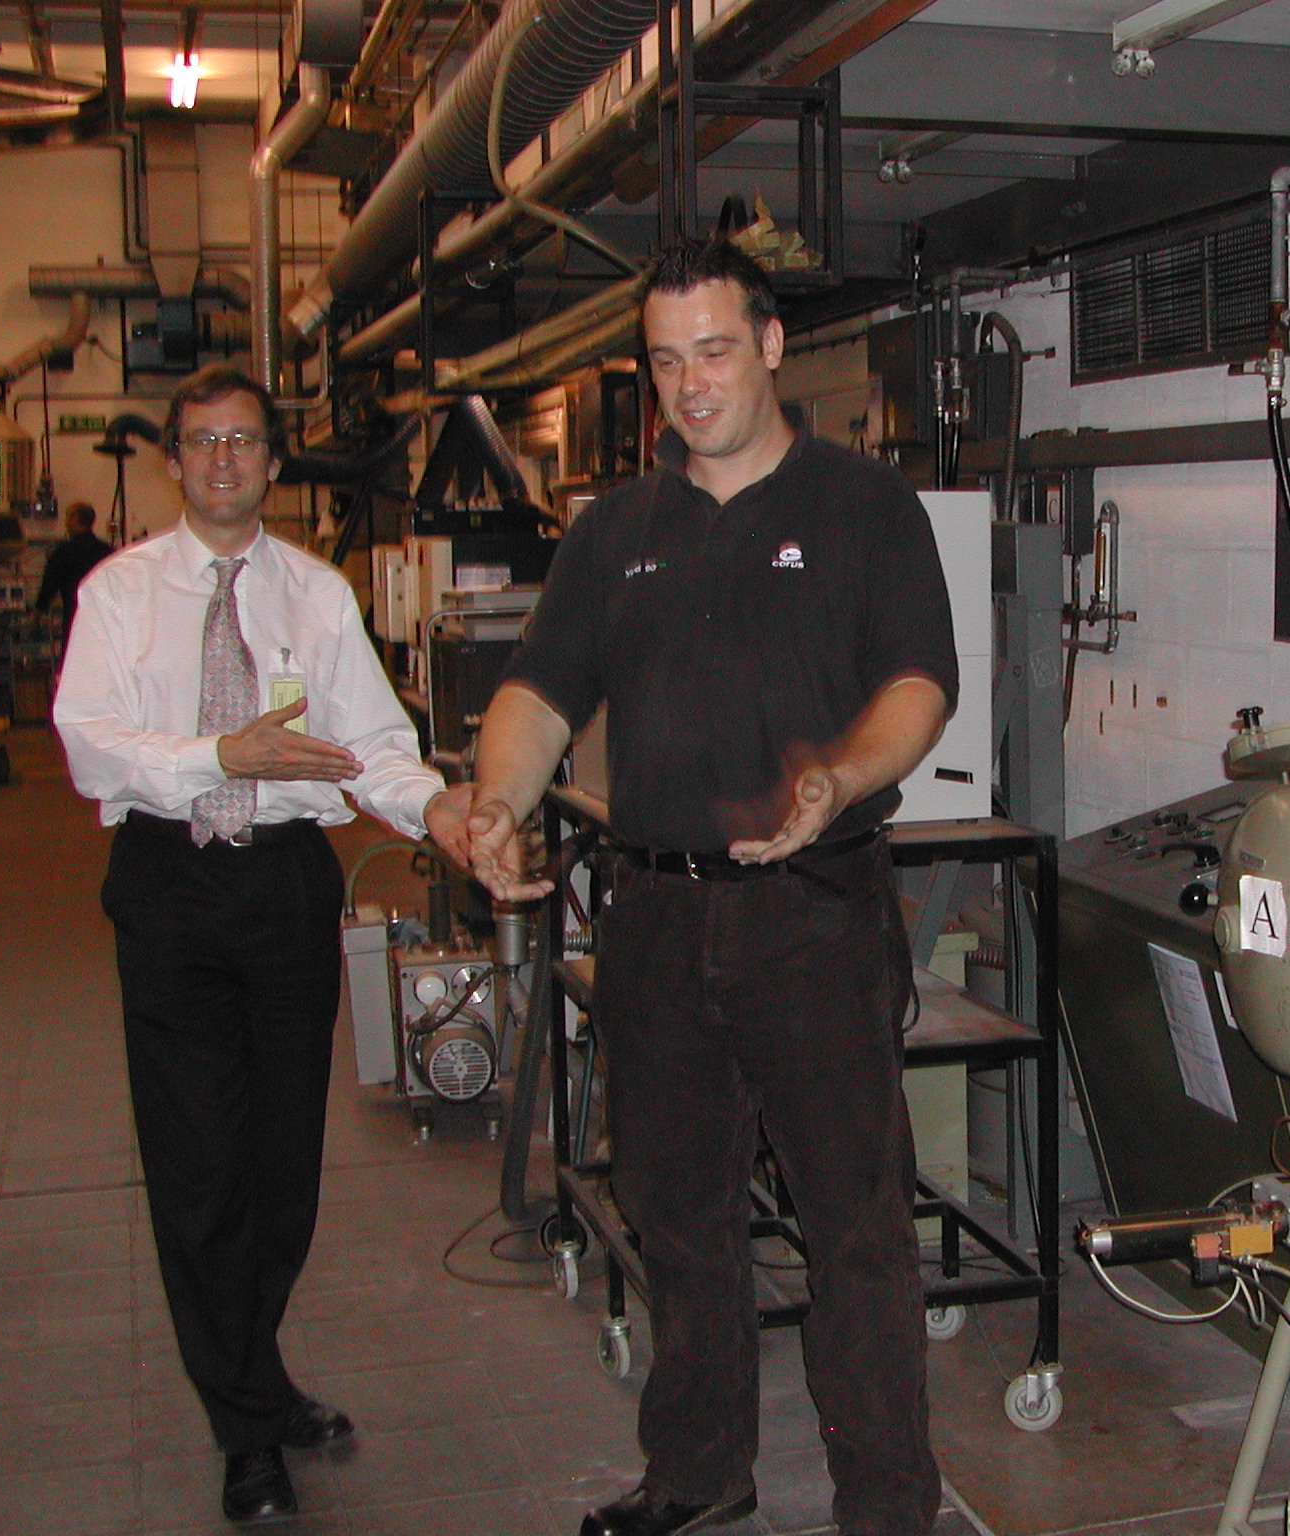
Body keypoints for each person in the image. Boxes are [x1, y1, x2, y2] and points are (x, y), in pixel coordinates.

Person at [428, 240, 956, 1536]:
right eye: (666, 362)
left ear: (770, 345)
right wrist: (497, 798)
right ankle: (700, 1473)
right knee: (677, 1215)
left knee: (854, 1226)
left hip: (813, 912)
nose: (691, 384)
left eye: (714, 351)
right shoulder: (615, 531)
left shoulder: (864, 506)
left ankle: (887, 1504)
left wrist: (840, 774)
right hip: (656, 916)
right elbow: (540, 690)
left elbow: (917, 683)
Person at [53, 364, 453, 1525]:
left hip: (282, 887)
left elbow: (370, 744)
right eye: (201, 441)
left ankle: (253, 1376)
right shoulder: (121, 594)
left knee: (282, 1173)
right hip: (170, 885)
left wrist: (435, 807)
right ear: (174, 462)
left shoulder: (315, 596)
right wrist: (219, 757)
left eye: (242, 441)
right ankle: (245, 1430)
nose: (222, 459)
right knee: (198, 1170)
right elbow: (88, 743)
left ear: (273, 463)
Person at [35, 500, 113, 645]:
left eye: (68, 517)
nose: (66, 523)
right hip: (103, 619)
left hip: (74, 616)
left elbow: (49, 584)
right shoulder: (106, 551)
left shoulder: (64, 552)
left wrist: (38, 612)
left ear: (75, 518)